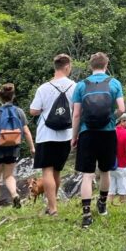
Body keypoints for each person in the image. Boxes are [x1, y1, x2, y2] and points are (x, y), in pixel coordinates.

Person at [71, 52, 125, 229]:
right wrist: (110, 116)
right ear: (106, 65)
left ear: (90, 66)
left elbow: (77, 114)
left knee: (87, 175)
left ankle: (86, 214)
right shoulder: (114, 83)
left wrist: (74, 136)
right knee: (105, 171)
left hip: (87, 133)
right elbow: (122, 109)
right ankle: (102, 204)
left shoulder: (81, 85)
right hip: (107, 132)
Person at [29, 53, 75, 217]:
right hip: (65, 134)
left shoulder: (44, 87)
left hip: (46, 134)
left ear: (55, 67)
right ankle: (52, 203)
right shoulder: (74, 86)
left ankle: (53, 207)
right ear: (67, 67)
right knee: (56, 171)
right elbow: (77, 110)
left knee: (46, 171)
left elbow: (33, 110)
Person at [109, 112, 126, 204]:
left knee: (110, 189)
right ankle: (124, 208)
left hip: (110, 166)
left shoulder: (111, 131)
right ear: (122, 121)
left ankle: (107, 207)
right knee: (124, 189)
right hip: (122, 166)